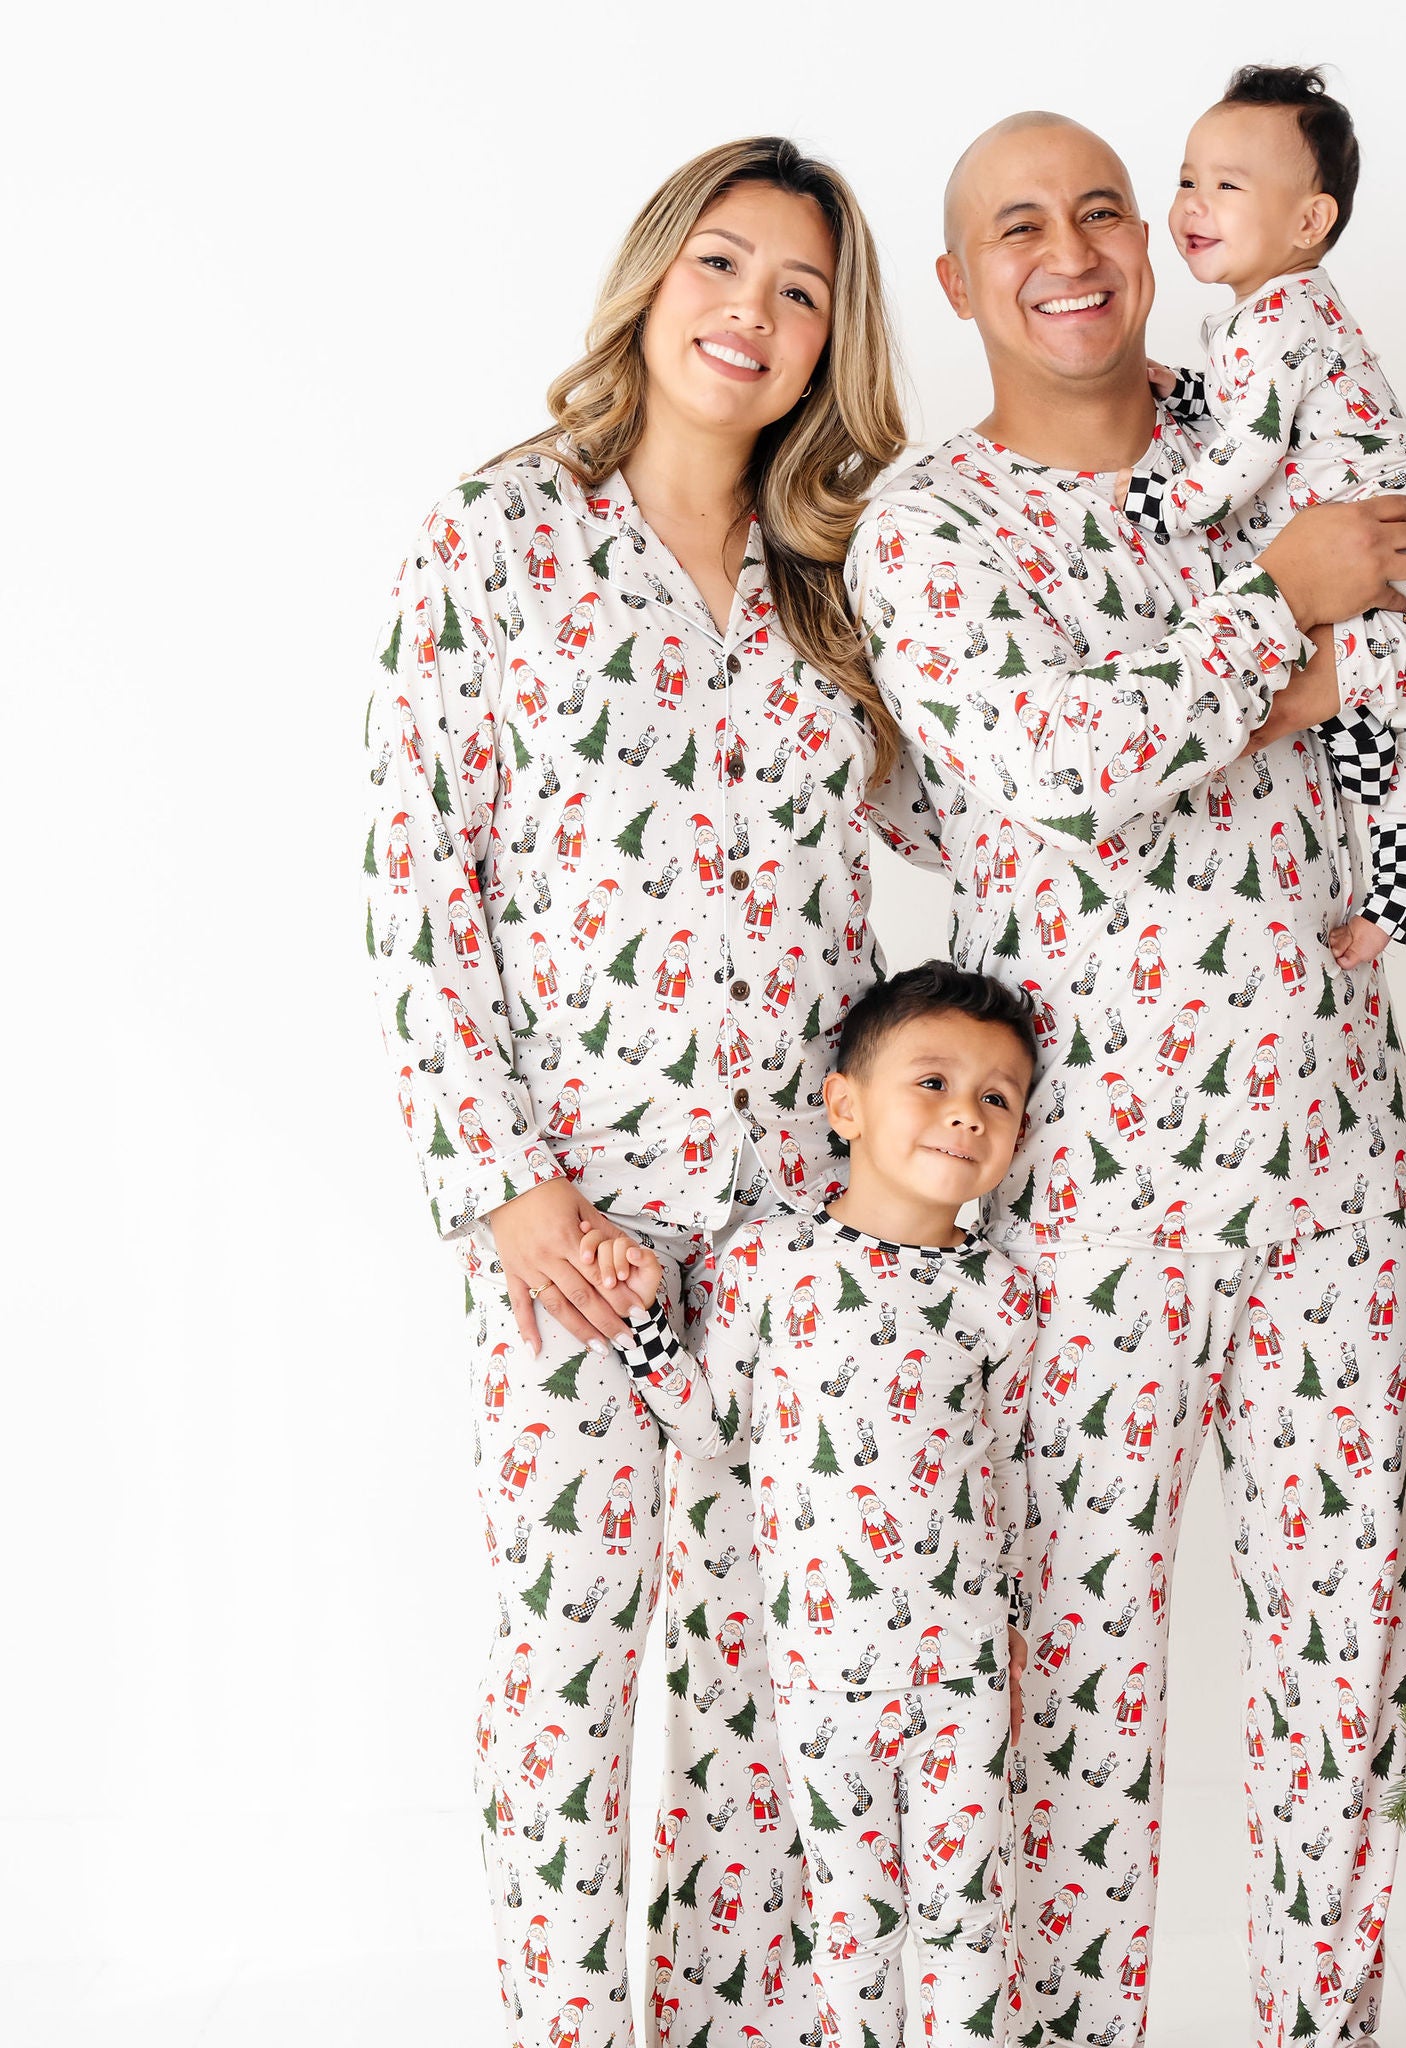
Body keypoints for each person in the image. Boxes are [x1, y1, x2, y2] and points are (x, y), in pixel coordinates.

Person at [854, 113, 1406, 2048]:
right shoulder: (926, 528)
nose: (1073, 246)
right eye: (1017, 224)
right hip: (1079, 1195)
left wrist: (1325, 586)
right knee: (1074, 1684)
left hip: (1334, 1165)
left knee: (1339, 1680)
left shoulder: (1275, 413)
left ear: (1170, 234)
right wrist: (1302, 628)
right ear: (955, 283)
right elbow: (1061, 757)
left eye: (1105, 204)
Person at [362, 136, 914, 2047]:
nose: (751, 315)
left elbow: (1004, 802)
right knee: (569, 1670)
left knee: (766, 1678)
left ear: (831, 343)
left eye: (798, 292)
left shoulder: (839, 590)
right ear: (651, 277)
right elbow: (416, 884)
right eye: (723, 266)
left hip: (793, 1230)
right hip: (568, 1232)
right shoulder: (496, 537)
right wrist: (507, 1189)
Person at [588, 963, 1040, 2046]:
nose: (963, 1114)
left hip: (963, 1669)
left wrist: (1015, 1641)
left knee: (970, 1919)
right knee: (849, 1929)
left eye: (996, 1097)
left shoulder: (998, 1290)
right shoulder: (770, 1264)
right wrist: (645, 1320)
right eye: (931, 1080)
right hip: (823, 1670)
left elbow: (1017, 1481)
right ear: (845, 1104)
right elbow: (710, 1424)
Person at [1139, 62, 1406, 971]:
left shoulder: (1280, 316)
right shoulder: (1273, 312)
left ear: (1308, 221)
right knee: (1364, 731)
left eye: (1226, 185)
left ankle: (1401, 894)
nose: (1193, 206)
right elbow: (1247, 405)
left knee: (1379, 739)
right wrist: (1181, 390)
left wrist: (1164, 500)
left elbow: (1249, 447)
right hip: (1350, 537)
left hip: (1383, 531)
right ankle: (1395, 886)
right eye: (1185, 180)